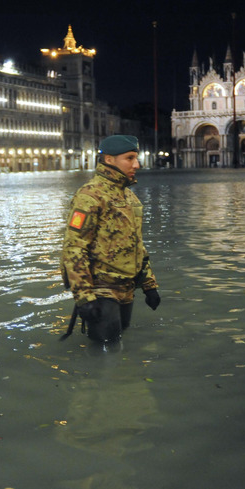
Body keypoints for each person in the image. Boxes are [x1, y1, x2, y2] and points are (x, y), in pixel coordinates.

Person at [60, 135, 161, 343]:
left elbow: (136, 244)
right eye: (130, 158)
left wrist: (149, 285)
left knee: (119, 342)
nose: (137, 164)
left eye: (136, 157)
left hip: (127, 287)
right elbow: (74, 247)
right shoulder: (89, 196)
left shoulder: (129, 197)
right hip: (101, 288)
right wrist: (84, 297)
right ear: (109, 160)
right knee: (106, 350)